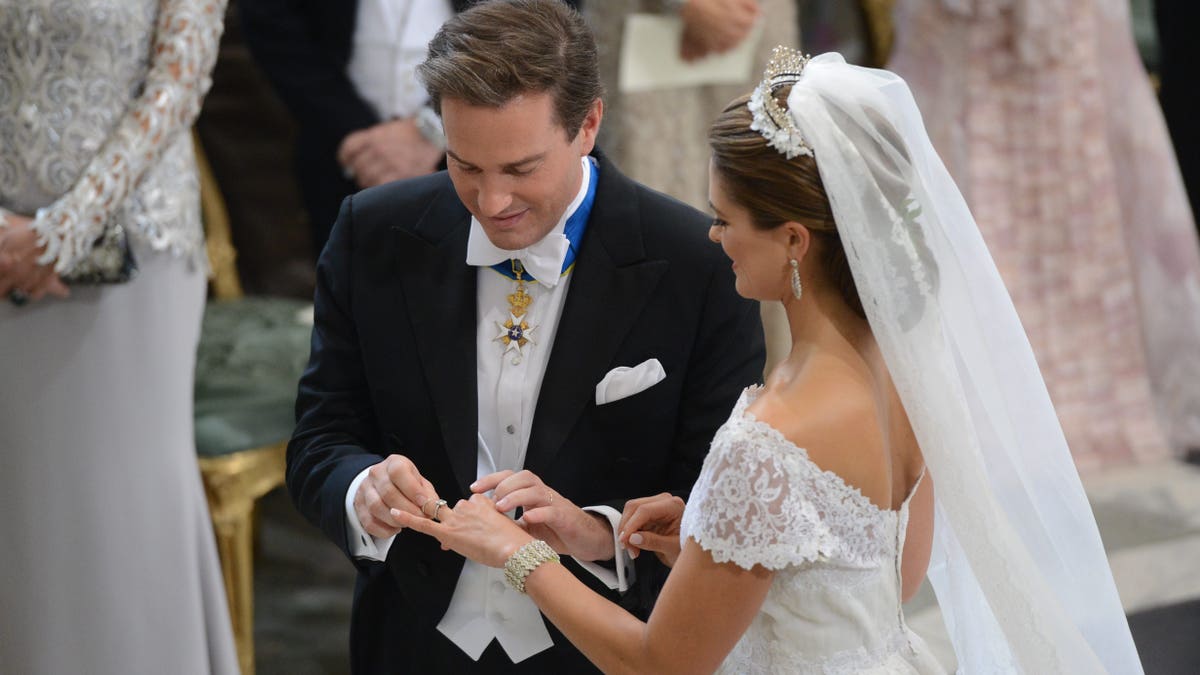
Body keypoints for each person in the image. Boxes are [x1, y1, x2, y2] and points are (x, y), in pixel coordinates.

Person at [396, 50, 1145, 673]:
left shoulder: (770, 438)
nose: (714, 237)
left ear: (794, 238)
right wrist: (711, 532)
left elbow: (660, 663)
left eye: (726, 219)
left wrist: (520, 554)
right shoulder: (902, 368)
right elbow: (887, 573)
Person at [286, 0, 765, 672]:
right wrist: (361, 485)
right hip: (411, 641)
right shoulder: (374, 235)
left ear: (589, 123)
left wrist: (597, 532)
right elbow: (319, 438)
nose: (491, 203)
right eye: (464, 166)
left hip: (599, 650)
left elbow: (716, 503)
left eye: (520, 169)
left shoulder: (697, 265)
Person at [0, 1, 238, 673]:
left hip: (137, 248)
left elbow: (178, 79)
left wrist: (59, 234)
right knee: (20, 516)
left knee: (122, 507)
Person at [889, 0, 1200, 470]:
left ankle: (1094, 382)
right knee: (954, 174)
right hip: (955, 27)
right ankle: (978, 397)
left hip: (1067, 24)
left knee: (1078, 163)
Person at [240, 0, 583, 257]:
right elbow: (270, 21)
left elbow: (542, 19)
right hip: (343, 156)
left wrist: (433, 128)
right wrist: (358, 139)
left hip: (490, 154)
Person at [586, 0, 797, 375]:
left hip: (757, 25)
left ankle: (775, 398)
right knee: (653, 215)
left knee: (768, 207)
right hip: (642, 28)